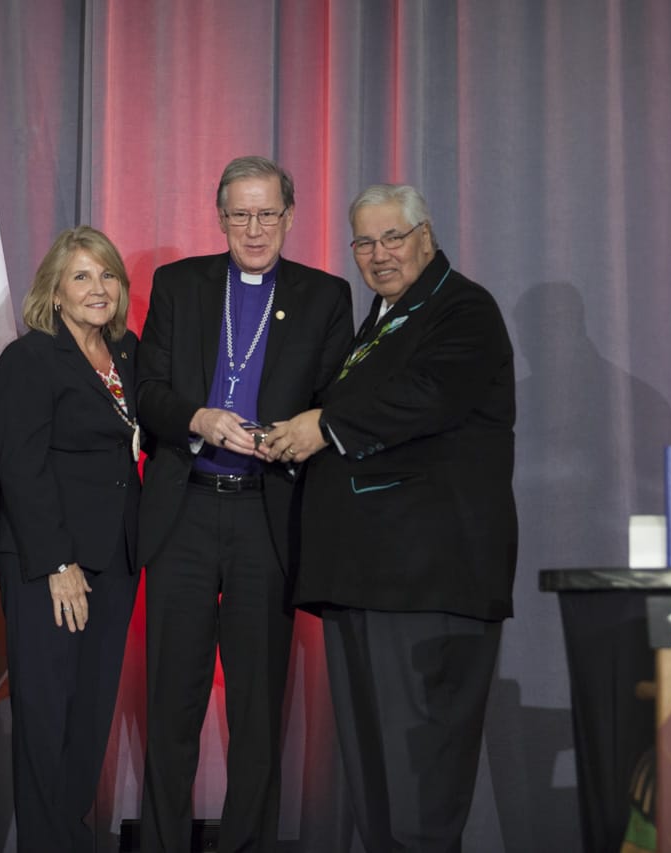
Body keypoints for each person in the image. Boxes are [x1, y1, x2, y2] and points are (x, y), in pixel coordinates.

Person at [264, 183, 518, 852]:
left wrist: (325, 424)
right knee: (376, 782)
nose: (378, 254)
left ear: (425, 237)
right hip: (367, 581)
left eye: (392, 238)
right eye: (364, 242)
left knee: (418, 782)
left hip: (427, 584)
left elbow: (427, 396)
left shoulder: (463, 309)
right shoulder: (382, 319)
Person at [136, 155, 353, 851]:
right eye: (240, 214)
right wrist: (198, 418)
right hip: (187, 514)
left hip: (269, 515)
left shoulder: (325, 296)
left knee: (258, 713)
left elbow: (336, 404)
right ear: (220, 216)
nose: (254, 228)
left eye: (267, 214)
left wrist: (300, 434)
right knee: (172, 704)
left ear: (290, 216)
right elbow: (150, 392)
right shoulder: (178, 284)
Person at [0, 226, 142, 851]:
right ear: (54, 291)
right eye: (81, 276)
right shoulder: (30, 359)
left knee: (90, 714)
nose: (97, 287)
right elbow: (20, 467)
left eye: (107, 274)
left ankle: (71, 836)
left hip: (117, 557)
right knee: (47, 713)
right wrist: (58, 563)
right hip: (50, 563)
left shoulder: (130, 354)